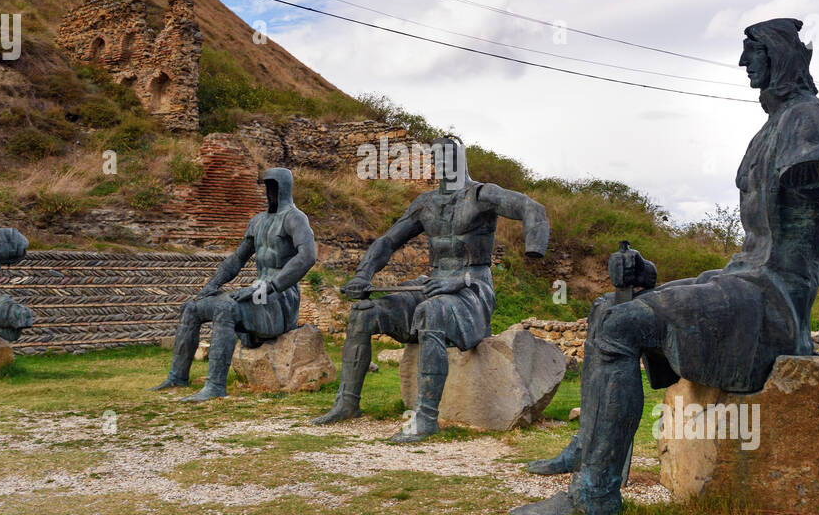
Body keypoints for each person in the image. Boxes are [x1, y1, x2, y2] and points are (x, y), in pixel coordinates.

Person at [511, 18, 819, 515]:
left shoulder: (809, 119)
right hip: (747, 279)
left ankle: (594, 495)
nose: (743, 62)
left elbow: (792, 230)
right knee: (609, 306)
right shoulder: (774, 127)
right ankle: (588, 450)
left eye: (753, 51)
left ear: (779, 56)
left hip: (775, 301)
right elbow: (751, 250)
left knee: (621, 326)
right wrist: (650, 277)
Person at [311, 136, 550, 442]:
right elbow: (388, 241)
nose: (442, 163)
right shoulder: (426, 204)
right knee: (363, 312)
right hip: (433, 284)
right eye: (437, 158)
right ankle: (347, 403)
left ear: (461, 159)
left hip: (472, 290)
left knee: (430, 312)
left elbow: (532, 207)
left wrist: (534, 248)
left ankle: (425, 418)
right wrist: (362, 275)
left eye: (448, 156)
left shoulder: (482, 195)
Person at [151, 167, 316, 402]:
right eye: (267, 187)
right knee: (192, 308)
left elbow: (307, 256)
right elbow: (237, 258)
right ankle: (177, 376)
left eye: (273, 187)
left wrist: (270, 287)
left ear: (283, 188)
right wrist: (212, 284)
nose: (269, 192)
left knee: (226, 308)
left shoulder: (295, 218)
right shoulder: (258, 221)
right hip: (258, 293)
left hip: (280, 298)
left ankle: (215, 385)